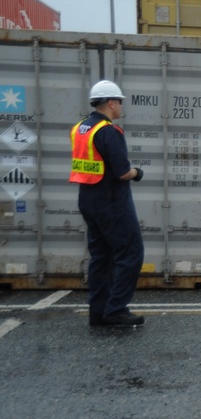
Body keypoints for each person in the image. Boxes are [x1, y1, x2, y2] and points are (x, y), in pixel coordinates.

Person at [70, 80, 145, 327]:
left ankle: (98, 312)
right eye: (120, 102)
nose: (121, 106)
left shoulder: (81, 129)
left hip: (88, 199)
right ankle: (116, 309)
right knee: (130, 253)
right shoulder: (109, 131)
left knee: (100, 257)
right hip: (112, 202)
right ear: (110, 103)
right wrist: (138, 171)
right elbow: (122, 172)